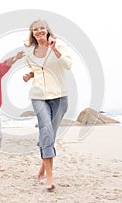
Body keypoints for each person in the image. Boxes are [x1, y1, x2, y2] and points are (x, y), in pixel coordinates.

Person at [23, 19, 72, 191]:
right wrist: (29, 75)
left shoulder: (59, 45)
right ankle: (50, 178)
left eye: (41, 28)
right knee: (45, 130)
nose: (39, 31)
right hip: (38, 96)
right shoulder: (29, 53)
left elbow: (68, 65)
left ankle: (43, 166)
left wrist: (55, 49)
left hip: (59, 97)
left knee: (50, 134)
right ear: (32, 33)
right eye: (35, 29)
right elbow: (37, 70)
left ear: (47, 30)